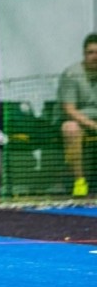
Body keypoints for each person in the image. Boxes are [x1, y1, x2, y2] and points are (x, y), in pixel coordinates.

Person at [57, 33, 97, 197]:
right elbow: (69, 109)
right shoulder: (72, 74)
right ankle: (79, 181)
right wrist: (93, 125)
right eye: (91, 52)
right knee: (71, 128)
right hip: (77, 120)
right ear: (84, 54)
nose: (95, 57)